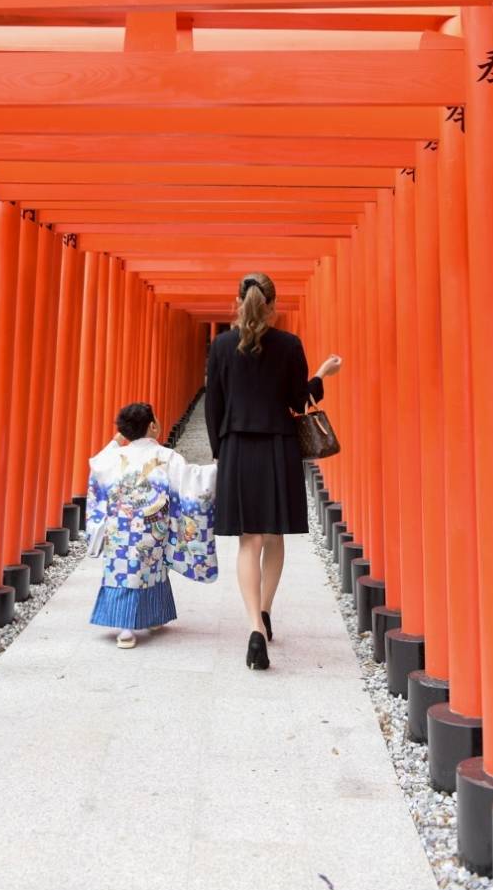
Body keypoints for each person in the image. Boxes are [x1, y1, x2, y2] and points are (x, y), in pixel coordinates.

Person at [205, 273, 342, 670]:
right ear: (273, 305)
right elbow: (300, 400)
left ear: (238, 301)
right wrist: (322, 373)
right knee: (274, 535)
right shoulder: (288, 345)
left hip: (237, 447)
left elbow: (214, 405)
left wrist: (221, 453)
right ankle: (265, 611)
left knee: (249, 540)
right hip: (278, 446)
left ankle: (253, 628)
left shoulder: (222, 346)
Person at [86, 402, 218, 649]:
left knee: (123, 573)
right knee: (150, 570)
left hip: (119, 530)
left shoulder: (115, 457)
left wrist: (118, 438)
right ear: (153, 426)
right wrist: (218, 471)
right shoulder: (166, 457)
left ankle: (138, 623)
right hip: (152, 528)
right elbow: (192, 479)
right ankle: (133, 625)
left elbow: (96, 463)